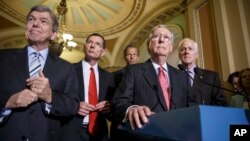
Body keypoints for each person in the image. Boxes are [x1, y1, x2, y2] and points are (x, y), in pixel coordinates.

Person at [0, 5, 79, 141]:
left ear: (53, 34)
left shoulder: (67, 68)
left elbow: (73, 106)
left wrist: (49, 96)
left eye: (43, 21)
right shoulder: (3, 58)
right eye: (31, 19)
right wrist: (8, 102)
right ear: (26, 30)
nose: (35, 23)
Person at [111, 24, 194, 132]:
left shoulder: (182, 76)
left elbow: (192, 107)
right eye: (156, 36)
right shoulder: (133, 71)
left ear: (171, 47)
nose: (161, 40)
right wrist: (131, 109)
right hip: (146, 134)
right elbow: (118, 103)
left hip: (177, 134)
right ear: (149, 45)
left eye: (166, 37)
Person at [61, 33, 115, 141]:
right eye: (89, 42)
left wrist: (109, 107)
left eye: (97, 44)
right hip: (72, 130)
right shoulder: (68, 70)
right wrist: (75, 106)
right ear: (84, 46)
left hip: (99, 132)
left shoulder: (109, 77)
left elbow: (114, 106)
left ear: (103, 52)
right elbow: (58, 98)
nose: (92, 46)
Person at [178, 38, 227, 106]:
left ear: (196, 55)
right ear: (179, 55)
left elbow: (221, 103)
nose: (186, 52)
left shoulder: (212, 77)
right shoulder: (172, 77)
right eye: (183, 49)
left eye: (190, 49)